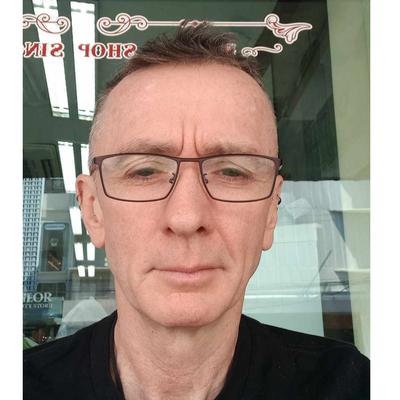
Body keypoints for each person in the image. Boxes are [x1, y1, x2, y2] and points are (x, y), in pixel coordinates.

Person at [24, 22, 369, 400]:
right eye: (145, 171)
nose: (187, 218)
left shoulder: (355, 385)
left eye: (232, 172)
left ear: (271, 212)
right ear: (93, 210)